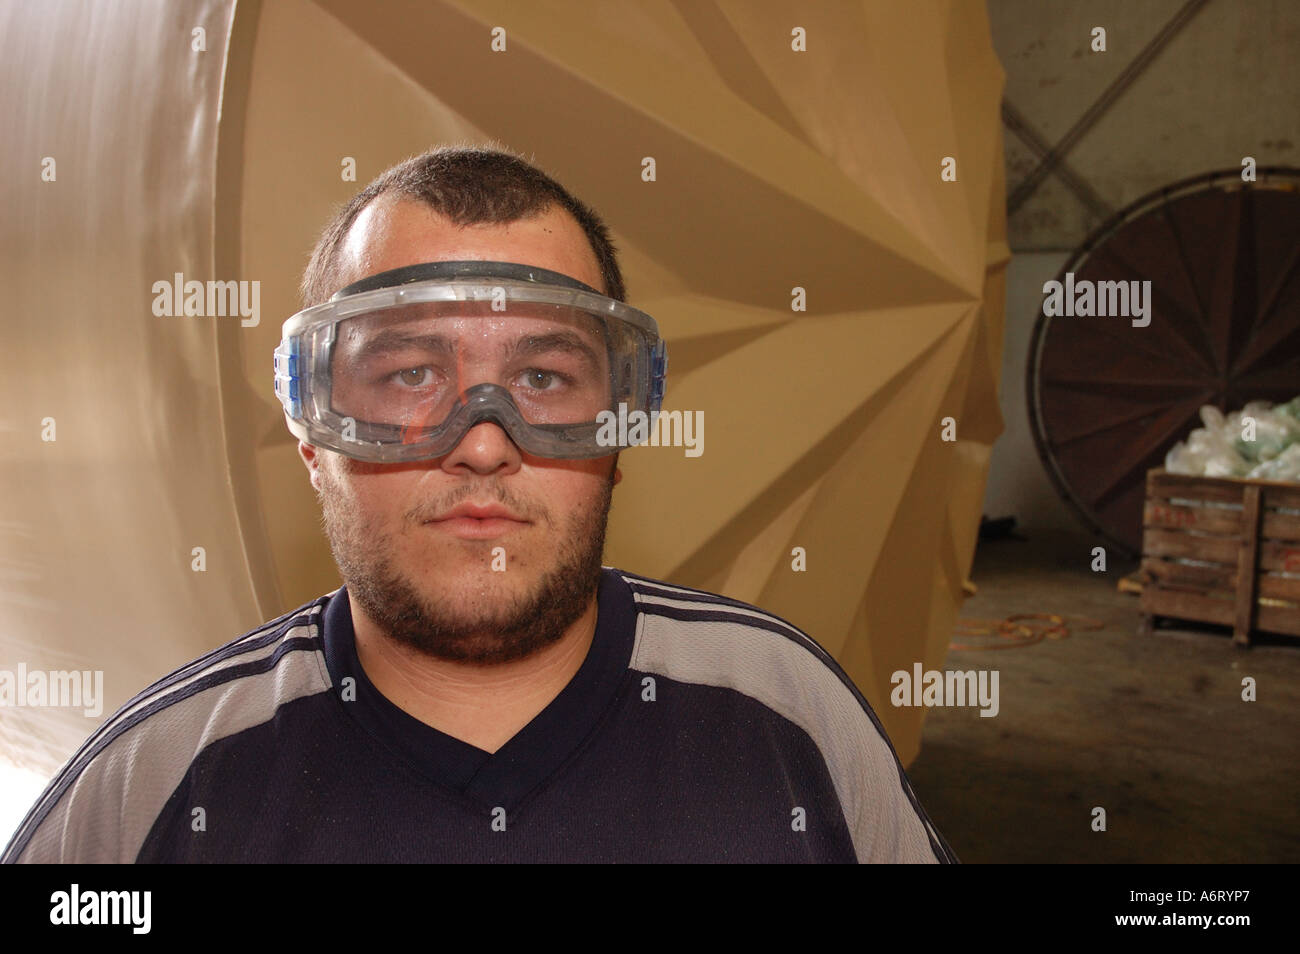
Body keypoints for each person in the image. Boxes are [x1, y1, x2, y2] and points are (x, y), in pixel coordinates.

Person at [3, 145, 956, 863]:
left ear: (620, 431)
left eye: (543, 376)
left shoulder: (793, 721)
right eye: (410, 372)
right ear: (313, 431)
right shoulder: (150, 793)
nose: (484, 439)